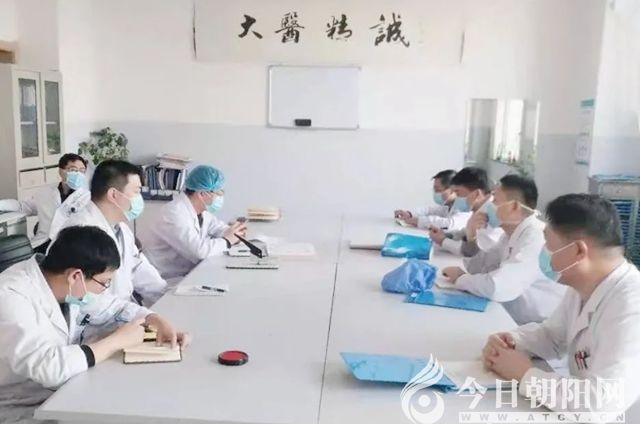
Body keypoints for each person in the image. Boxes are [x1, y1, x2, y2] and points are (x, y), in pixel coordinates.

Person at [0, 226, 189, 423]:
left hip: (62, 392)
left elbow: (114, 308)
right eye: (104, 283)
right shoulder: (10, 295)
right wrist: (116, 341)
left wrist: (154, 319)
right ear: (75, 276)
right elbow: (48, 368)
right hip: (20, 407)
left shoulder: (65, 285)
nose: (104, 290)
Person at [482, 194, 640, 416]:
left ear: (578, 251)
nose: (543, 252)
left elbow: (601, 402)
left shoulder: (631, 306)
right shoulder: (584, 285)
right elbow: (553, 336)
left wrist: (525, 374)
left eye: (547, 244)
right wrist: (513, 341)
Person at [442, 174, 566, 324]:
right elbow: (479, 268)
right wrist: (471, 235)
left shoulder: (535, 238)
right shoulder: (509, 234)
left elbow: (497, 287)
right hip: (510, 316)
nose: (489, 206)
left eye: (495, 200)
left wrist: (461, 278)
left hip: (535, 325)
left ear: (514, 207)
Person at [50, 160, 166, 306]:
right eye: (136, 192)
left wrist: (165, 295)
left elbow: (137, 266)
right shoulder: (81, 231)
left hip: (121, 308)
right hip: (98, 315)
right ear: (114, 194)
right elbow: (81, 294)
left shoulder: (120, 227)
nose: (139, 198)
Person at [143, 165, 248, 284]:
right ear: (202, 194)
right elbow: (199, 251)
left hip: (187, 274)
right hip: (166, 280)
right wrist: (228, 240)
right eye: (218, 193)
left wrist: (235, 231)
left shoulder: (202, 212)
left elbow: (219, 228)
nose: (221, 197)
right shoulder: (173, 213)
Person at [0, 153, 90, 254]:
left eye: (82, 171)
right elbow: (23, 206)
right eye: (73, 170)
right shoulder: (45, 192)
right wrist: (1, 204)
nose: (78, 175)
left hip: (69, 247)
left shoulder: (87, 198)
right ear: (61, 171)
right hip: (41, 243)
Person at [429, 167, 503, 257]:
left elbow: (475, 252)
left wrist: (443, 241)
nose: (455, 197)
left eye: (458, 193)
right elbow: (466, 231)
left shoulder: (492, 215)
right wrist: (447, 235)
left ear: (476, 194)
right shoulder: (480, 208)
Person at [394, 169, 471, 231]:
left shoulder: (464, 208)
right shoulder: (448, 206)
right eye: (434, 189)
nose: (436, 193)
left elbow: (449, 224)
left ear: (452, 189)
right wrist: (409, 214)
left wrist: (418, 221)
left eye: (438, 189)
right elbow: (429, 210)